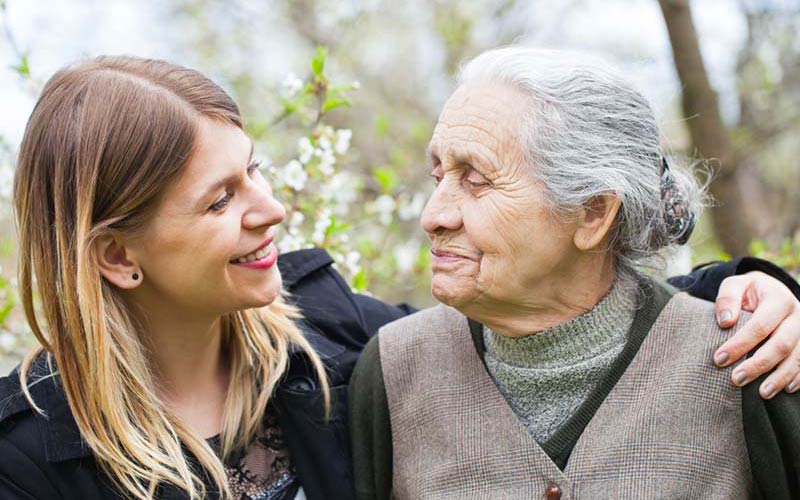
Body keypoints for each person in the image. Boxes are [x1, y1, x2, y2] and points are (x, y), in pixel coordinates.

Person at [0, 55, 796, 500]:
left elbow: (570, 313)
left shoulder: (332, 337)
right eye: (219, 201)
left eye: (256, 173)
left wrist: (760, 293)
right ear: (116, 257)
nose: (272, 209)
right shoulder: (33, 458)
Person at [349, 47, 800, 500]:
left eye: (476, 180)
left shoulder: (754, 359)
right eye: (438, 176)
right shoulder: (393, 371)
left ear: (592, 213)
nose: (434, 216)